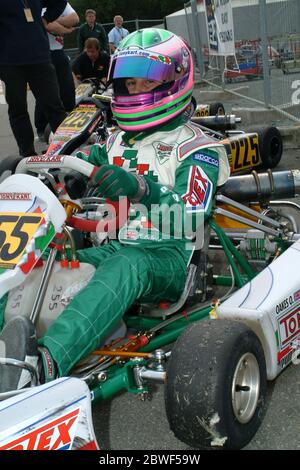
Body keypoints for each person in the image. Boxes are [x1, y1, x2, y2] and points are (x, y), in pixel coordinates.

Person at [0, 28, 230, 388]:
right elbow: (74, 162)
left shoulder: (197, 149)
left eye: (143, 82)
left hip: (169, 258)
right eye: (128, 83)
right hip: (115, 247)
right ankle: (6, 351)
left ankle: (45, 363)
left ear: (174, 81)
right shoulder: (115, 141)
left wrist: (142, 188)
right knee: (42, 263)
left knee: (127, 265)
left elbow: (190, 217)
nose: (134, 91)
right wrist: (48, 170)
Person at [0, 0, 68, 158]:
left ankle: (67, 148)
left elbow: (60, 2)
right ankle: (28, 155)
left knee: (54, 106)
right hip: (10, 63)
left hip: (40, 58)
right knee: (18, 110)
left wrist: (46, 18)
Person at [34, 2, 79, 141]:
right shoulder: (35, 5)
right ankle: (41, 127)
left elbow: (75, 19)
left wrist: (52, 21)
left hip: (58, 52)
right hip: (42, 53)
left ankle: (70, 124)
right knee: (45, 92)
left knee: (68, 89)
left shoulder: (60, 3)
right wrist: (65, 29)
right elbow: (47, 25)